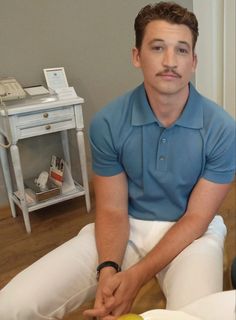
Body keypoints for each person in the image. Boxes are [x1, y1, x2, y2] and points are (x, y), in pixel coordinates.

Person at [0, 2, 235, 319]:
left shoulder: (222, 128)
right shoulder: (108, 123)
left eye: (181, 50)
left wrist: (136, 276)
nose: (170, 61)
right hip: (127, 226)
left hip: (192, 233)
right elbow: (112, 209)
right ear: (137, 56)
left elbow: (196, 218)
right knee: (13, 304)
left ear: (193, 61)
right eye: (157, 47)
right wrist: (108, 269)